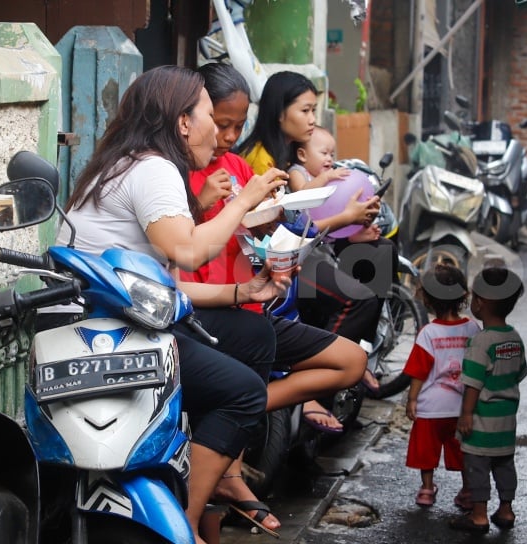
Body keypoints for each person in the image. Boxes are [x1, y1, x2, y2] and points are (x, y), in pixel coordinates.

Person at [51, 65, 289, 544]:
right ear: (183, 122)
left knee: (254, 334)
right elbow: (187, 250)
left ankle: (214, 461)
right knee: (243, 393)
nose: (220, 133)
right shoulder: (153, 168)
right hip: (108, 332)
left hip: (128, 315)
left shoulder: (131, 164)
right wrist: (244, 201)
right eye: (208, 114)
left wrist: (243, 293)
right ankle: (186, 516)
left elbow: (167, 283)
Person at [178, 62, 369, 535]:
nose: (227, 136)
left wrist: (273, 232)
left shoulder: (241, 166)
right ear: (190, 115)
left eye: (237, 126)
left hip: (249, 303)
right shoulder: (174, 175)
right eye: (221, 124)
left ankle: (235, 434)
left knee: (350, 364)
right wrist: (201, 202)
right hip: (208, 312)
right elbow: (176, 248)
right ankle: (223, 476)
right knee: (210, 517)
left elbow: (253, 234)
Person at [239, 70, 391, 386]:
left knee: (381, 255)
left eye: (313, 111)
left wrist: (352, 223)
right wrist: (345, 218)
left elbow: (305, 217)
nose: (312, 119)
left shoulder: (285, 156)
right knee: (359, 298)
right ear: (280, 113)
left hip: (299, 254)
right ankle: (317, 382)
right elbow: (280, 230)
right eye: (305, 110)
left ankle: (350, 364)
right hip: (272, 264)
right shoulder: (260, 161)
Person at [450, 267, 527, 534]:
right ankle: (506, 510)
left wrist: (466, 415)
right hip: (506, 421)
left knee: (477, 467)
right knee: (505, 464)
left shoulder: (480, 342)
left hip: (482, 421)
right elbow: (521, 372)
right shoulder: (514, 338)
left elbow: (472, 383)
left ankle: (479, 515)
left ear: (479, 304)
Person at [403, 264, 480, 509]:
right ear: (463, 296)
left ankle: (427, 489)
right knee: (463, 450)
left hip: (431, 408)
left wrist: (412, 399)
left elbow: (418, 371)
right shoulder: (471, 329)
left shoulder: (428, 332)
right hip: (462, 407)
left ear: (427, 298)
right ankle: (467, 490)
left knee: (426, 451)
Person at [286, 125, 350, 192]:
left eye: (332, 155)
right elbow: (300, 193)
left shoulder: (322, 173)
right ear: (302, 155)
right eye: (324, 153)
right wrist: (325, 178)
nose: (329, 159)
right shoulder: (296, 172)